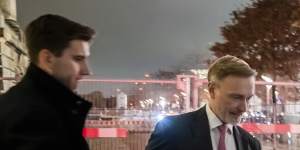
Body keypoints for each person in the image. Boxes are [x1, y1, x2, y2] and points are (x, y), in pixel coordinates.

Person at [0, 14, 95, 150]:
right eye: (78, 59)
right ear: (47, 59)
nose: (87, 71)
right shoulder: (38, 122)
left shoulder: (17, 104)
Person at [146, 55, 261, 150]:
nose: (244, 108)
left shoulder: (251, 144)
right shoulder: (172, 132)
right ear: (212, 90)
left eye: (248, 98)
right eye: (236, 97)